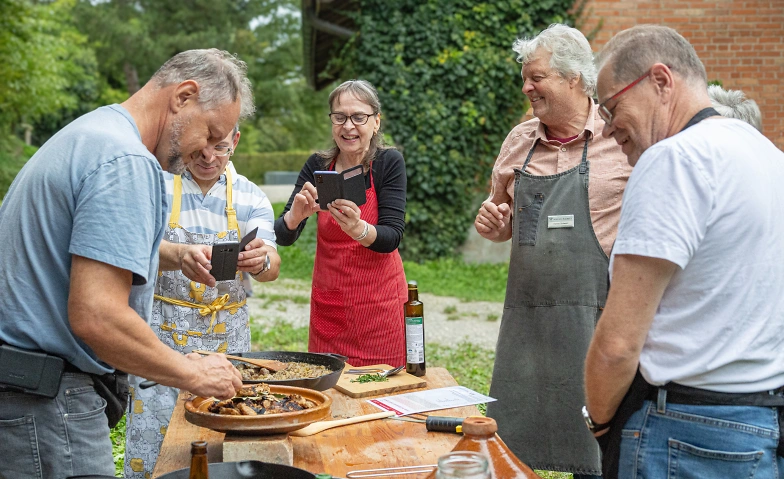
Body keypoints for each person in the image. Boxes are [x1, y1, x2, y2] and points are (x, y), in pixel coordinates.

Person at [0, 48, 253, 478]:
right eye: (210, 133)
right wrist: (190, 372)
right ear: (183, 96)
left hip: (24, 395)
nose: (206, 152)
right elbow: (97, 315)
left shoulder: (94, 133)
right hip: (50, 405)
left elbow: (89, 245)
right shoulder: (127, 162)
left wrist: (174, 255)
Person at [584, 25, 784, 479]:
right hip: (763, 424)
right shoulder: (769, 156)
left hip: (684, 432)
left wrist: (598, 422)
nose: (608, 127)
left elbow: (617, 345)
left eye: (612, 107)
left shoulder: (675, 159)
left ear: (660, 81)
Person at [474, 24, 632, 478]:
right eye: (525, 77)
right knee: (517, 451)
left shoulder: (618, 136)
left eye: (536, 77)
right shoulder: (518, 141)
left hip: (596, 318)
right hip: (528, 325)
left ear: (574, 79)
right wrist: (494, 225)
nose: (526, 87)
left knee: (597, 451)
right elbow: (500, 218)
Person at [124, 124, 280, 478]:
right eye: (199, 149)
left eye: (221, 148)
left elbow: (272, 264)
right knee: (157, 437)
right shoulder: (159, 186)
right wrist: (178, 255)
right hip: (163, 337)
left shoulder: (251, 196)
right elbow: (135, 248)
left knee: (222, 433)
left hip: (227, 343)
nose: (209, 158)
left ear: (236, 142)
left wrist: (263, 261)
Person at [274, 79, 407, 367]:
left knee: (384, 390)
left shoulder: (388, 163)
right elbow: (282, 236)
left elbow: (392, 236)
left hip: (380, 307)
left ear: (376, 122)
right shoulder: (318, 166)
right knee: (329, 390)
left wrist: (358, 229)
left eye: (359, 117)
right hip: (331, 308)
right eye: (340, 117)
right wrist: (295, 216)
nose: (349, 126)